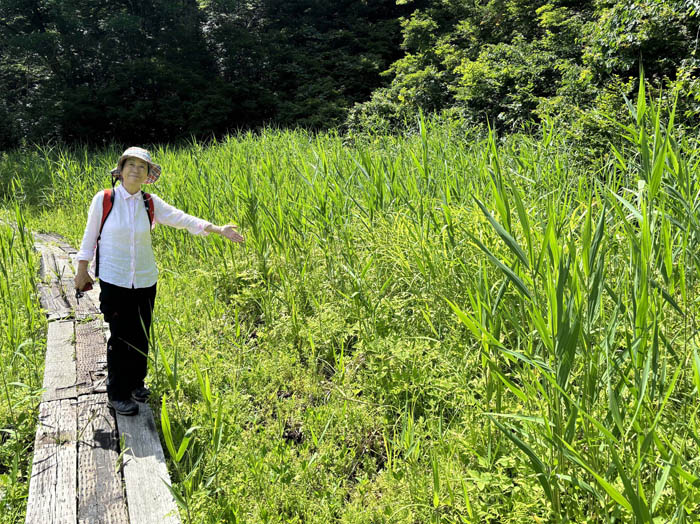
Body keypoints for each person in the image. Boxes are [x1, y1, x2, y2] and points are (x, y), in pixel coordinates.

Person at [74, 147, 244, 415]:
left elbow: (182, 219)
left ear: (147, 174)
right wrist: (81, 269)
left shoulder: (149, 202)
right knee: (120, 336)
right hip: (114, 278)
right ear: (121, 169)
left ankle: (135, 383)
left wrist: (217, 229)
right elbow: (88, 236)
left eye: (142, 166)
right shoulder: (104, 199)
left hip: (144, 279)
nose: (135, 169)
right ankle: (117, 393)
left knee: (141, 333)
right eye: (131, 164)